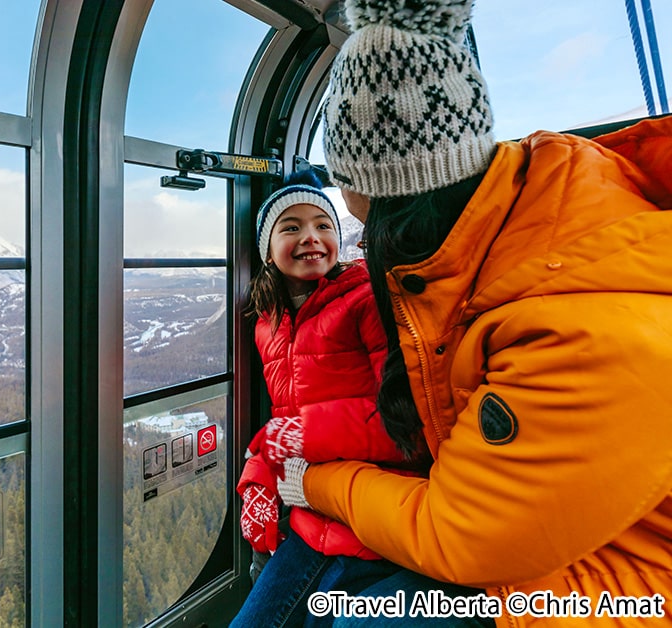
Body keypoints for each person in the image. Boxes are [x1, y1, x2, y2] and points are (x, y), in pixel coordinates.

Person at [275, 1, 672, 626]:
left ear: (374, 190)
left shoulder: (574, 319)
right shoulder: (500, 241)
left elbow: (458, 536)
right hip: (565, 533)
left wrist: (317, 482)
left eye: (340, 205)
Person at [232, 169, 418, 627]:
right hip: (309, 524)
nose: (310, 237)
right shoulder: (268, 326)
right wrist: (257, 479)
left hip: (374, 522)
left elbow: (405, 425)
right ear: (267, 251)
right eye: (290, 227)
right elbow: (283, 426)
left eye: (323, 225)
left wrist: (297, 435)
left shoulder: (365, 301)